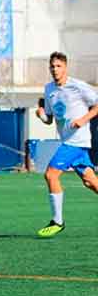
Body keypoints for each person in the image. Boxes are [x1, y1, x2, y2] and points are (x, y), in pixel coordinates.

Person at [35, 51, 98, 238]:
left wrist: (83, 119)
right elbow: (49, 119)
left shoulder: (78, 86)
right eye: (52, 66)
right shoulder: (49, 90)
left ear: (65, 67)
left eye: (58, 66)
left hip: (76, 141)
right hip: (68, 140)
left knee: (50, 174)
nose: (55, 69)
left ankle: (58, 221)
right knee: (91, 182)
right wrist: (41, 116)